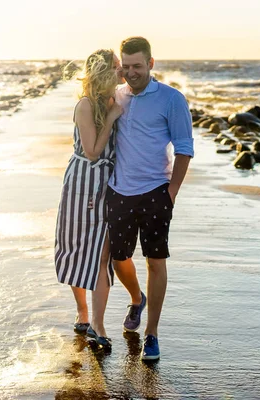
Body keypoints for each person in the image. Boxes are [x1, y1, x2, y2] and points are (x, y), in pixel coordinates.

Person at [107, 37, 194, 361]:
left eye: (137, 66)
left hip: (156, 190)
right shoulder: (116, 96)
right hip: (119, 190)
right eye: (125, 67)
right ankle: (136, 298)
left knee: (156, 261)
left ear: (151, 64)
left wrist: (171, 193)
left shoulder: (171, 99)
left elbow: (184, 147)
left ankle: (152, 333)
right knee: (119, 258)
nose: (131, 73)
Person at [54, 49, 123, 349]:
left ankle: (99, 323)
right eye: (118, 67)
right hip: (82, 182)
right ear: (105, 72)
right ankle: (82, 310)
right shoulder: (85, 105)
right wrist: (109, 119)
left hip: (108, 184)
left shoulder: (117, 100)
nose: (122, 72)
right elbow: (93, 151)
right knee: (76, 249)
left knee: (102, 255)